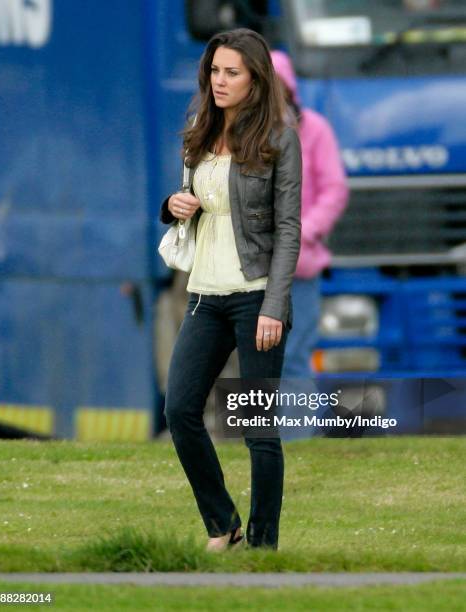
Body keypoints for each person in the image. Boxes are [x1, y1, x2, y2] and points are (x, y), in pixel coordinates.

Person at [159, 29, 301, 551]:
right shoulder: (200, 128)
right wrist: (174, 204)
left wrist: (274, 305)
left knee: (258, 428)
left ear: (255, 79)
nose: (219, 82)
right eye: (215, 71)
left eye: (232, 73)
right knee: (179, 410)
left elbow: (289, 229)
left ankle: (263, 548)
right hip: (203, 293)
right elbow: (191, 198)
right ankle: (224, 524)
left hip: (256, 295)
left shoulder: (281, 139)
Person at [270, 50, 348, 379]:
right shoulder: (239, 134)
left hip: (297, 266)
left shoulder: (314, 129)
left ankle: (297, 431)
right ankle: (259, 431)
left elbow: (334, 189)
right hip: (250, 269)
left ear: (289, 88)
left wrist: (305, 231)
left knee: (294, 357)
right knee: (258, 362)